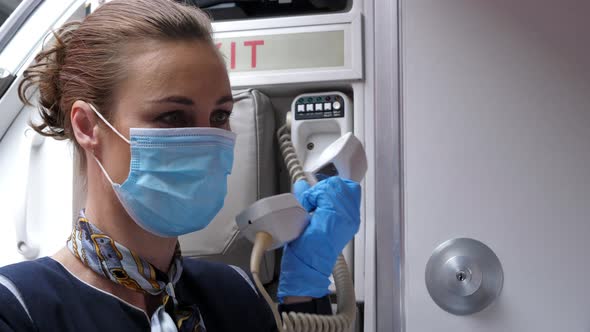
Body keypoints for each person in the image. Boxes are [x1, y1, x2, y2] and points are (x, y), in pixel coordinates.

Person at [0, 0, 361, 331]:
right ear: (87, 126)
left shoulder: (237, 294)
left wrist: (304, 294)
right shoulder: (18, 307)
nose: (206, 141)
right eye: (173, 116)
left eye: (220, 115)